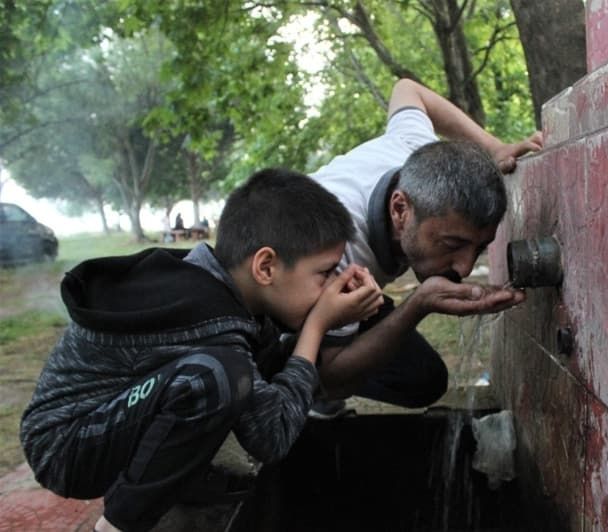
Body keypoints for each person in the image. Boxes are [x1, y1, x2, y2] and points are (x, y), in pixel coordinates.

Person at [19, 168, 384, 532]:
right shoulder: (204, 316)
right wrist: (317, 326)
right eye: (323, 274)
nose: (328, 287)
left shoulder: (214, 283)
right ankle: (118, 524)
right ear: (266, 266)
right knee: (216, 376)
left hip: (103, 423)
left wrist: (313, 320)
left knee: (253, 356)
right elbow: (272, 436)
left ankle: (179, 484)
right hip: (65, 447)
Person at [305, 78, 544, 415]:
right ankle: (285, 385)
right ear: (400, 209)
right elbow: (332, 376)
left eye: (478, 249)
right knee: (320, 375)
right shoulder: (334, 247)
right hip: (278, 300)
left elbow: (407, 89)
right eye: (453, 244)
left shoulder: (415, 147)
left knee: (422, 378)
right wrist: (417, 305)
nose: (462, 268)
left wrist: (494, 148)